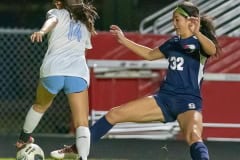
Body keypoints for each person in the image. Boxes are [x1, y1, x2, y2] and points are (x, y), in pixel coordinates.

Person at [51, 1, 220, 160]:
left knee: (194, 136)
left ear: (191, 21)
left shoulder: (200, 43)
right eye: (173, 20)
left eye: (177, 19)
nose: (174, 23)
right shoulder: (173, 42)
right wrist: (124, 40)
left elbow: (211, 50)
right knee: (113, 114)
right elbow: (149, 54)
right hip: (164, 100)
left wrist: (197, 32)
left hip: (188, 102)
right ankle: (76, 150)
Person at [15, 0, 98, 160]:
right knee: (82, 122)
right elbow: (83, 52)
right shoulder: (85, 22)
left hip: (54, 69)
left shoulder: (56, 12)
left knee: (40, 106)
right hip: (77, 72)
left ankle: (23, 139)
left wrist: (42, 31)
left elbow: (52, 22)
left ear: (59, 4)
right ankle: (83, 158)